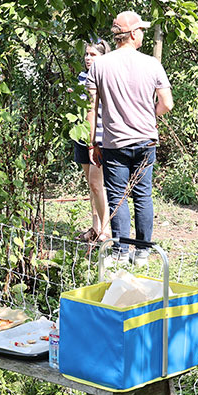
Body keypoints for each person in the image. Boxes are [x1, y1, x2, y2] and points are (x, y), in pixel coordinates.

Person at [87, 11, 173, 265]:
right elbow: (167, 103)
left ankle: (121, 253)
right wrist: (149, 115)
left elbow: (92, 108)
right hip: (146, 140)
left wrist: (94, 142)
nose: (143, 34)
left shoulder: (99, 66)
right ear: (133, 34)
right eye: (142, 30)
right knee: (143, 196)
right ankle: (143, 252)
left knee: (118, 197)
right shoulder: (152, 64)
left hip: (114, 143)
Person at [73, 41, 111, 243]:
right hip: (82, 135)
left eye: (93, 55)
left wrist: (93, 141)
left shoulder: (108, 77)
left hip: (100, 137)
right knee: (91, 185)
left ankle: (106, 230)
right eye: (87, 54)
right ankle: (95, 227)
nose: (88, 58)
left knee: (98, 184)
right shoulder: (82, 77)